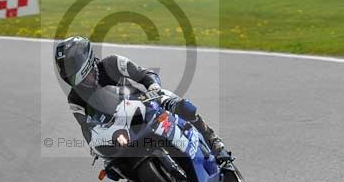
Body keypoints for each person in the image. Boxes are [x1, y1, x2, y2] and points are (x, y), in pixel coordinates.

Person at [54, 36, 232, 164]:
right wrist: (95, 146)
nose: (70, 71)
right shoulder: (75, 99)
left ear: (84, 60)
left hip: (146, 104)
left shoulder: (112, 63)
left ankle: (214, 142)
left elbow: (145, 75)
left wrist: (153, 88)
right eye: (66, 67)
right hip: (118, 129)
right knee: (113, 167)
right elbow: (86, 128)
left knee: (184, 107)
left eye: (72, 65)